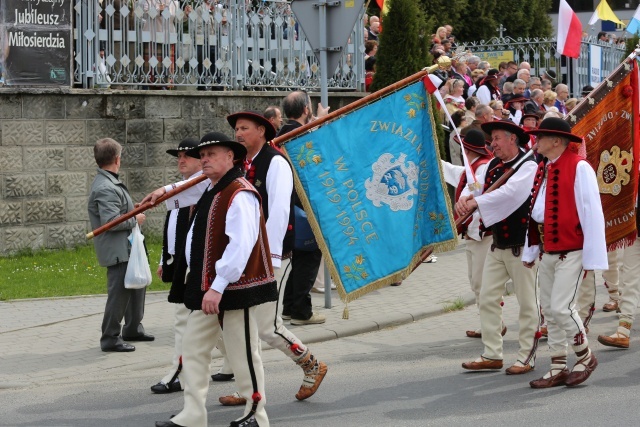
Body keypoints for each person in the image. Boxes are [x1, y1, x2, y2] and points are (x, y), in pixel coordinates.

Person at [153, 131, 278, 427]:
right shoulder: (213, 188)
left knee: (243, 352)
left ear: (230, 157)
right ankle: (194, 414)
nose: (204, 160)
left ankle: (256, 414)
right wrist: (162, 192)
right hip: (209, 288)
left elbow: (241, 245)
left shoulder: (240, 192)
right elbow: (182, 193)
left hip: (234, 288)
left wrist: (218, 285)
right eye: (203, 155)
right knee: (193, 348)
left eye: (211, 155)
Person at [218, 110, 328, 406]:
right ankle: (249, 387)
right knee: (247, 326)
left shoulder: (276, 161)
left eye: (244, 128)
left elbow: (279, 211)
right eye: (236, 129)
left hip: (269, 255)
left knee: (267, 325)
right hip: (246, 256)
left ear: (262, 132)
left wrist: (269, 256)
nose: (238, 134)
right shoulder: (242, 163)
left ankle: (311, 365)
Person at [523, 117, 607, 388]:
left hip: (572, 250)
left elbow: (592, 213)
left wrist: (593, 257)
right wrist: (531, 248)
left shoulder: (579, 166)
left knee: (562, 307)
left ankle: (585, 356)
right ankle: (558, 364)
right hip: (548, 250)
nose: (535, 141)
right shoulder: (544, 167)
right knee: (549, 308)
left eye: (540, 137)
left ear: (556, 141)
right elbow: (536, 211)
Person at [458, 120, 539, 375]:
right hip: (497, 243)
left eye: (496, 139)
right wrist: (466, 200)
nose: (492, 144)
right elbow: (478, 187)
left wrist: (477, 203)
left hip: (521, 246)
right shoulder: (494, 164)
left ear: (512, 139)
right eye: (491, 139)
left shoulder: (528, 165)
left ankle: (527, 356)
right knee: (487, 297)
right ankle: (492, 353)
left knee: (527, 303)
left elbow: (511, 194)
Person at [150, 137, 205, 394]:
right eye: (178, 156)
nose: (181, 160)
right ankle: (230, 364)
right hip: (181, 260)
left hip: (199, 264)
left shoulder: (204, 187)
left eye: (187, 156)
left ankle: (178, 373)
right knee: (209, 321)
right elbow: (172, 228)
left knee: (186, 319)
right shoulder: (182, 190)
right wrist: (166, 259)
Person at [88, 138, 152, 353]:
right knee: (119, 294)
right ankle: (110, 338)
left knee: (137, 288)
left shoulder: (108, 181)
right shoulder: (106, 186)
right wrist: (135, 219)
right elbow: (110, 222)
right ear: (117, 158)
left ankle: (133, 329)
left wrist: (130, 209)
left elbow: (116, 212)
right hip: (118, 250)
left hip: (127, 247)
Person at [279, 91, 327, 325]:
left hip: (291, 206)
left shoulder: (283, 133)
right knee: (309, 257)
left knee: (300, 259)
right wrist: (320, 124)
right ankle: (301, 311)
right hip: (302, 205)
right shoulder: (297, 134)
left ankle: (290, 307)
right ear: (306, 110)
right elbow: (316, 158)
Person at [440, 130, 494, 338]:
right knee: (476, 281)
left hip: (483, 235)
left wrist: (466, 200)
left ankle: (492, 324)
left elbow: (476, 189)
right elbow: (451, 171)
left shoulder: (481, 169)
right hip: (473, 236)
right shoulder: (470, 170)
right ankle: (489, 323)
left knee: (482, 282)